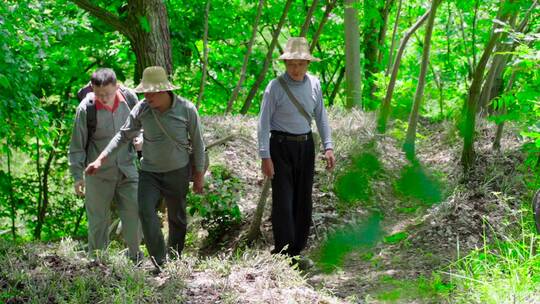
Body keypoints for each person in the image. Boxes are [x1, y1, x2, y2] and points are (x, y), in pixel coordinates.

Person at [85, 66, 206, 272]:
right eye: (145, 92)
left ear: (163, 91)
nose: (147, 96)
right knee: (145, 210)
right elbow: (123, 136)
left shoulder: (186, 109)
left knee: (177, 217)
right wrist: (100, 160)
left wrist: (199, 174)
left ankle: (174, 258)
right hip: (149, 172)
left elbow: (198, 142)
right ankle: (160, 261)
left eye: (151, 92)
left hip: (178, 170)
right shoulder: (142, 109)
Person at [257, 37, 336, 267]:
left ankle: (297, 251)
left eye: (301, 64)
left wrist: (328, 146)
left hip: (306, 145)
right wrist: (265, 155)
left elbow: (320, 116)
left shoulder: (314, 84)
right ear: (285, 63)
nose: (296, 69)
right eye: (292, 64)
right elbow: (263, 122)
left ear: (307, 64)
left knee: (303, 199)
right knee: (283, 200)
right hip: (279, 146)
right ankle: (283, 254)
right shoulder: (275, 87)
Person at [68, 68, 142, 262]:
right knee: (98, 221)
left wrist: (140, 139)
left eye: (108, 94)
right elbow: (77, 146)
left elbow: (143, 124)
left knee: (135, 213)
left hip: (128, 168)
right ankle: (98, 261)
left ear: (117, 86)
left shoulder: (131, 100)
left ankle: (135, 257)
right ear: (92, 89)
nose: (104, 98)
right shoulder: (86, 109)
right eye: (99, 94)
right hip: (97, 173)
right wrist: (77, 177)